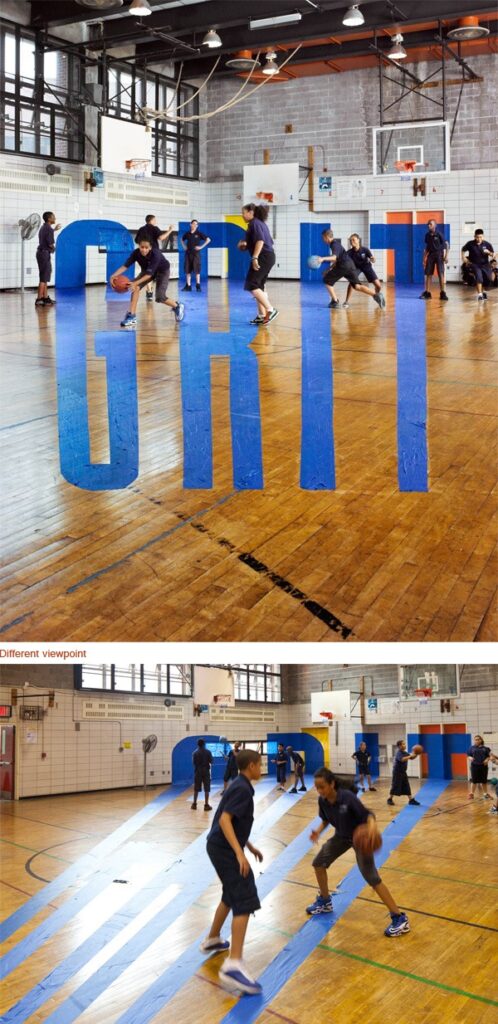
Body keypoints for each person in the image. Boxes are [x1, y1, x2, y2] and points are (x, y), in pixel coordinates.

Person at [306, 768, 410, 937]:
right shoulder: (322, 801)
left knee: (372, 879)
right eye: (317, 787)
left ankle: (399, 918)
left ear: (332, 784)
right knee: (318, 863)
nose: (319, 790)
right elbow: (325, 819)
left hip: (360, 839)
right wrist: (318, 831)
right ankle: (325, 902)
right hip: (341, 836)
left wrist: (371, 830)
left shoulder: (347, 797)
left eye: (322, 786)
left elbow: (369, 815)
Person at [201, 748, 263, 995]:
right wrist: (239, 853)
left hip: (220, 845)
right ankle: (234, 965)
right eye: (260, 764)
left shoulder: (239, 785)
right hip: (223, 849)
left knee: (231, 892)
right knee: (245, 898)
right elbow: (225, 820)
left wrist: (248, 845)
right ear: (251, 767)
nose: (261, 768)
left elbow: (231, 821)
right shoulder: (242, 788)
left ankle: (213, 938)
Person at [109, 236, 184, 328]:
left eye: (146, 248)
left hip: (162, 271)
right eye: (142, 247)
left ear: (150, 247)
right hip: (147, 271)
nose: (144, 250)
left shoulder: (156, 254)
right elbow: (125, 266)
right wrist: (113, 275)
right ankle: (132, 316)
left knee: (160, 297)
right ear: (139, 246)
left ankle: (177, 306)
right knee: (135, 287)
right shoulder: (136, 253)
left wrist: (135, 282)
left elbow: (149, 275)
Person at [318, 229, 385, 309]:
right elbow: (337, 259)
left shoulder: (334, 244)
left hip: (344, 266)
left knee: (327, 280)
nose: (323, 240)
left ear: (326, 237)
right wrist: (328, 269)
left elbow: (334, 257)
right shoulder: (340, 246)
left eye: (323, 238)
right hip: (351, 266)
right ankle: (376, 295)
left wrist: (323, 259)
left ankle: (335, 301)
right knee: (357, 286)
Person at [238, 203, 278, 325]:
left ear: (251, 213)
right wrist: (245, 246)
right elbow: (266, 241)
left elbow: (260, 241)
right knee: (259, 287)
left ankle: (270, 310)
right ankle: (261, 315)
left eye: (243, 213)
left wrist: (255, 257)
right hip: (268, 256)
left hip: (263, 257)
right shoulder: (260, 224)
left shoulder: (255, 223)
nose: (242, 215)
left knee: (252, 285)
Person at [135, 215, 174, 301]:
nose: (156, 221)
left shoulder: (141, 229)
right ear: (152, 220)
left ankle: (149, 292)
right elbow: (161, 237)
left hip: (144, 255)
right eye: (155, 220)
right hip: (153, 255)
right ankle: (155, 293)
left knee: (146, 272)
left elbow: (137, 241)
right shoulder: (154, 228)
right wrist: (170, 230)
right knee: (151, 272)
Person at [344, 233, 383, 308]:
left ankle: (376, 296)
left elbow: (373, 259)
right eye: (350, 240)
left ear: (358, 240)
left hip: (366, 267)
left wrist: (373, 259)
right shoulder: (349, 253)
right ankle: (346, 301)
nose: (352, 242)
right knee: (352, 282)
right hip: (356, 268)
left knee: (378, 285)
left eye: (353, 240)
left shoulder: (365, 250)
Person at [35, 211, 61, 307]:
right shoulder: (48, 229)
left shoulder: (44, 227)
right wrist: (55, 249)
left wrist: (54, 230)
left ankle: (45, 298)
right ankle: (39, 299)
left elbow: (46, 235)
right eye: (53, 217)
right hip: (44, 253)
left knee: (44, 276)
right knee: (43, 277)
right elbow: (50, 243)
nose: (55, 218)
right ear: (49, 219)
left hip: (41, 253)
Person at [461, 229, 495, 300]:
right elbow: (463, 249)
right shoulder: (470, 244)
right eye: (477, 237)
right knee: (479, 276)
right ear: (474, 236)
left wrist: (489, 253)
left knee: (488, 279)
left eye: (480, 237)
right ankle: (480, 295)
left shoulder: (487, 244)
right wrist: (463, 257)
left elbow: (493, 255)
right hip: (474, 264)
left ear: (483, 237)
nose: (479, 239)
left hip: (485, 264)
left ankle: (483, 292)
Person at [420, 218, 449, 301]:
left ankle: (443, 293)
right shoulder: (427, 235)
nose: (429, 225)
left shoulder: (439, 234)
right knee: (428, 274)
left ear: (435, 226)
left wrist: (446, 256)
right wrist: (424, 258)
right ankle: (427, 293)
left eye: (430, 224)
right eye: (428, 224)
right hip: (431, 255)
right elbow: (427, 248)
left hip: (439, 255)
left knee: (440, 273)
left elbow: (447, 245)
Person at [387, 740, 420, 807]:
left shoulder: (405, 752)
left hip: (403, 772)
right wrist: (410, 756)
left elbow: (412, 758)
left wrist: (416, 754)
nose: (404, 745)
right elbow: (402, 759)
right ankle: (390, 799)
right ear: (399, 746)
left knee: (406, 786)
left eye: (404, 744)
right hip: (397, 772)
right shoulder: (399, 753)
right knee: (395, 785)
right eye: (403, 744)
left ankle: (411, 800)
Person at [181, 218, 211, 291]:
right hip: (188, 254)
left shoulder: (199, 234)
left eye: (196, 224)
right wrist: (184, 246)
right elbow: (182, 239)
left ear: (197, 226)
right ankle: (188, 286)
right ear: (190, 224)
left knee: (197, 270)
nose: (194, 225)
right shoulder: (187, 233)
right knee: (188, 270)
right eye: (193, 224)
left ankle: (198, 286)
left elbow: (208, 240)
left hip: (196, 255)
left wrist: (201, 247)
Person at [467, 734, 492, 801]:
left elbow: (489, 756)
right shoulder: (471, 748)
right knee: (474, 781)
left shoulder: (486, 748)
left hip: (483, 767)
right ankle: (471, 794)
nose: (477, 741)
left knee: (484, 781)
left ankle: (485, 794)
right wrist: (470, 758)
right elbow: (468, 755)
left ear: (481, 740)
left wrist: (487, 759)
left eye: (478, 739)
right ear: (474, 740)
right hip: (474, 766)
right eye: (475, 740)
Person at [191, 737, 213, 811]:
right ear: (204, 744)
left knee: (196, 788)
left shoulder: (194, 753)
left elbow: (193, 763)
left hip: (198, 771)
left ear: (197, 744)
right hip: (206, 771)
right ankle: (206, 805)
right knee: (207, 788)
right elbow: (212, 761)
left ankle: (194, 804)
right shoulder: (208, 752)